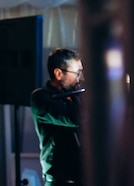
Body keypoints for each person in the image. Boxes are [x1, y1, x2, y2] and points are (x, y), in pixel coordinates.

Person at [30, 48, 85, 186]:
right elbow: (73, 117)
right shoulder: (41, 98)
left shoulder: (75, 97)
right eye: (77, 73)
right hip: (60, 181)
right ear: (59, 74)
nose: (81, 78)